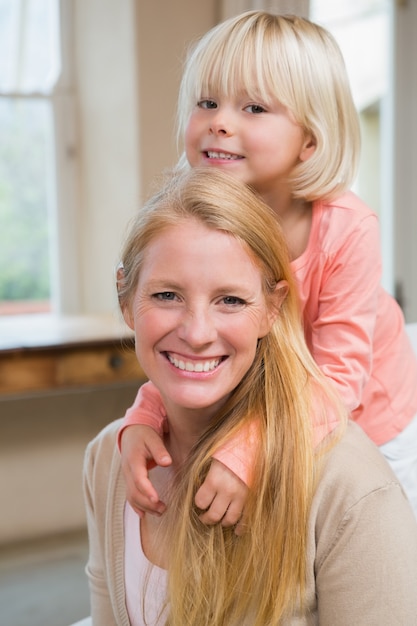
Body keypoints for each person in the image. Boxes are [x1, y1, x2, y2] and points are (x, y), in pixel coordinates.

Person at [119, 11, 417, 522]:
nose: (220, 121)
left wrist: (253, 448)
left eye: (253, 107)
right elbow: (188, 339)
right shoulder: (201, 221)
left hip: (368, 420)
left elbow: (338, 377)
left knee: (378, 545)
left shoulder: (346, 228)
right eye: (206, 102)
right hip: (277, 405)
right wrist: (146, 414)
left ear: (310, 139)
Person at [84, 168, 417, 625]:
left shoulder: (349, 488)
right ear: (126, 300)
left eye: (231, 301)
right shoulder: (109, 457)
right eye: (166, 295)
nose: (197, 333)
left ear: (272, 310)